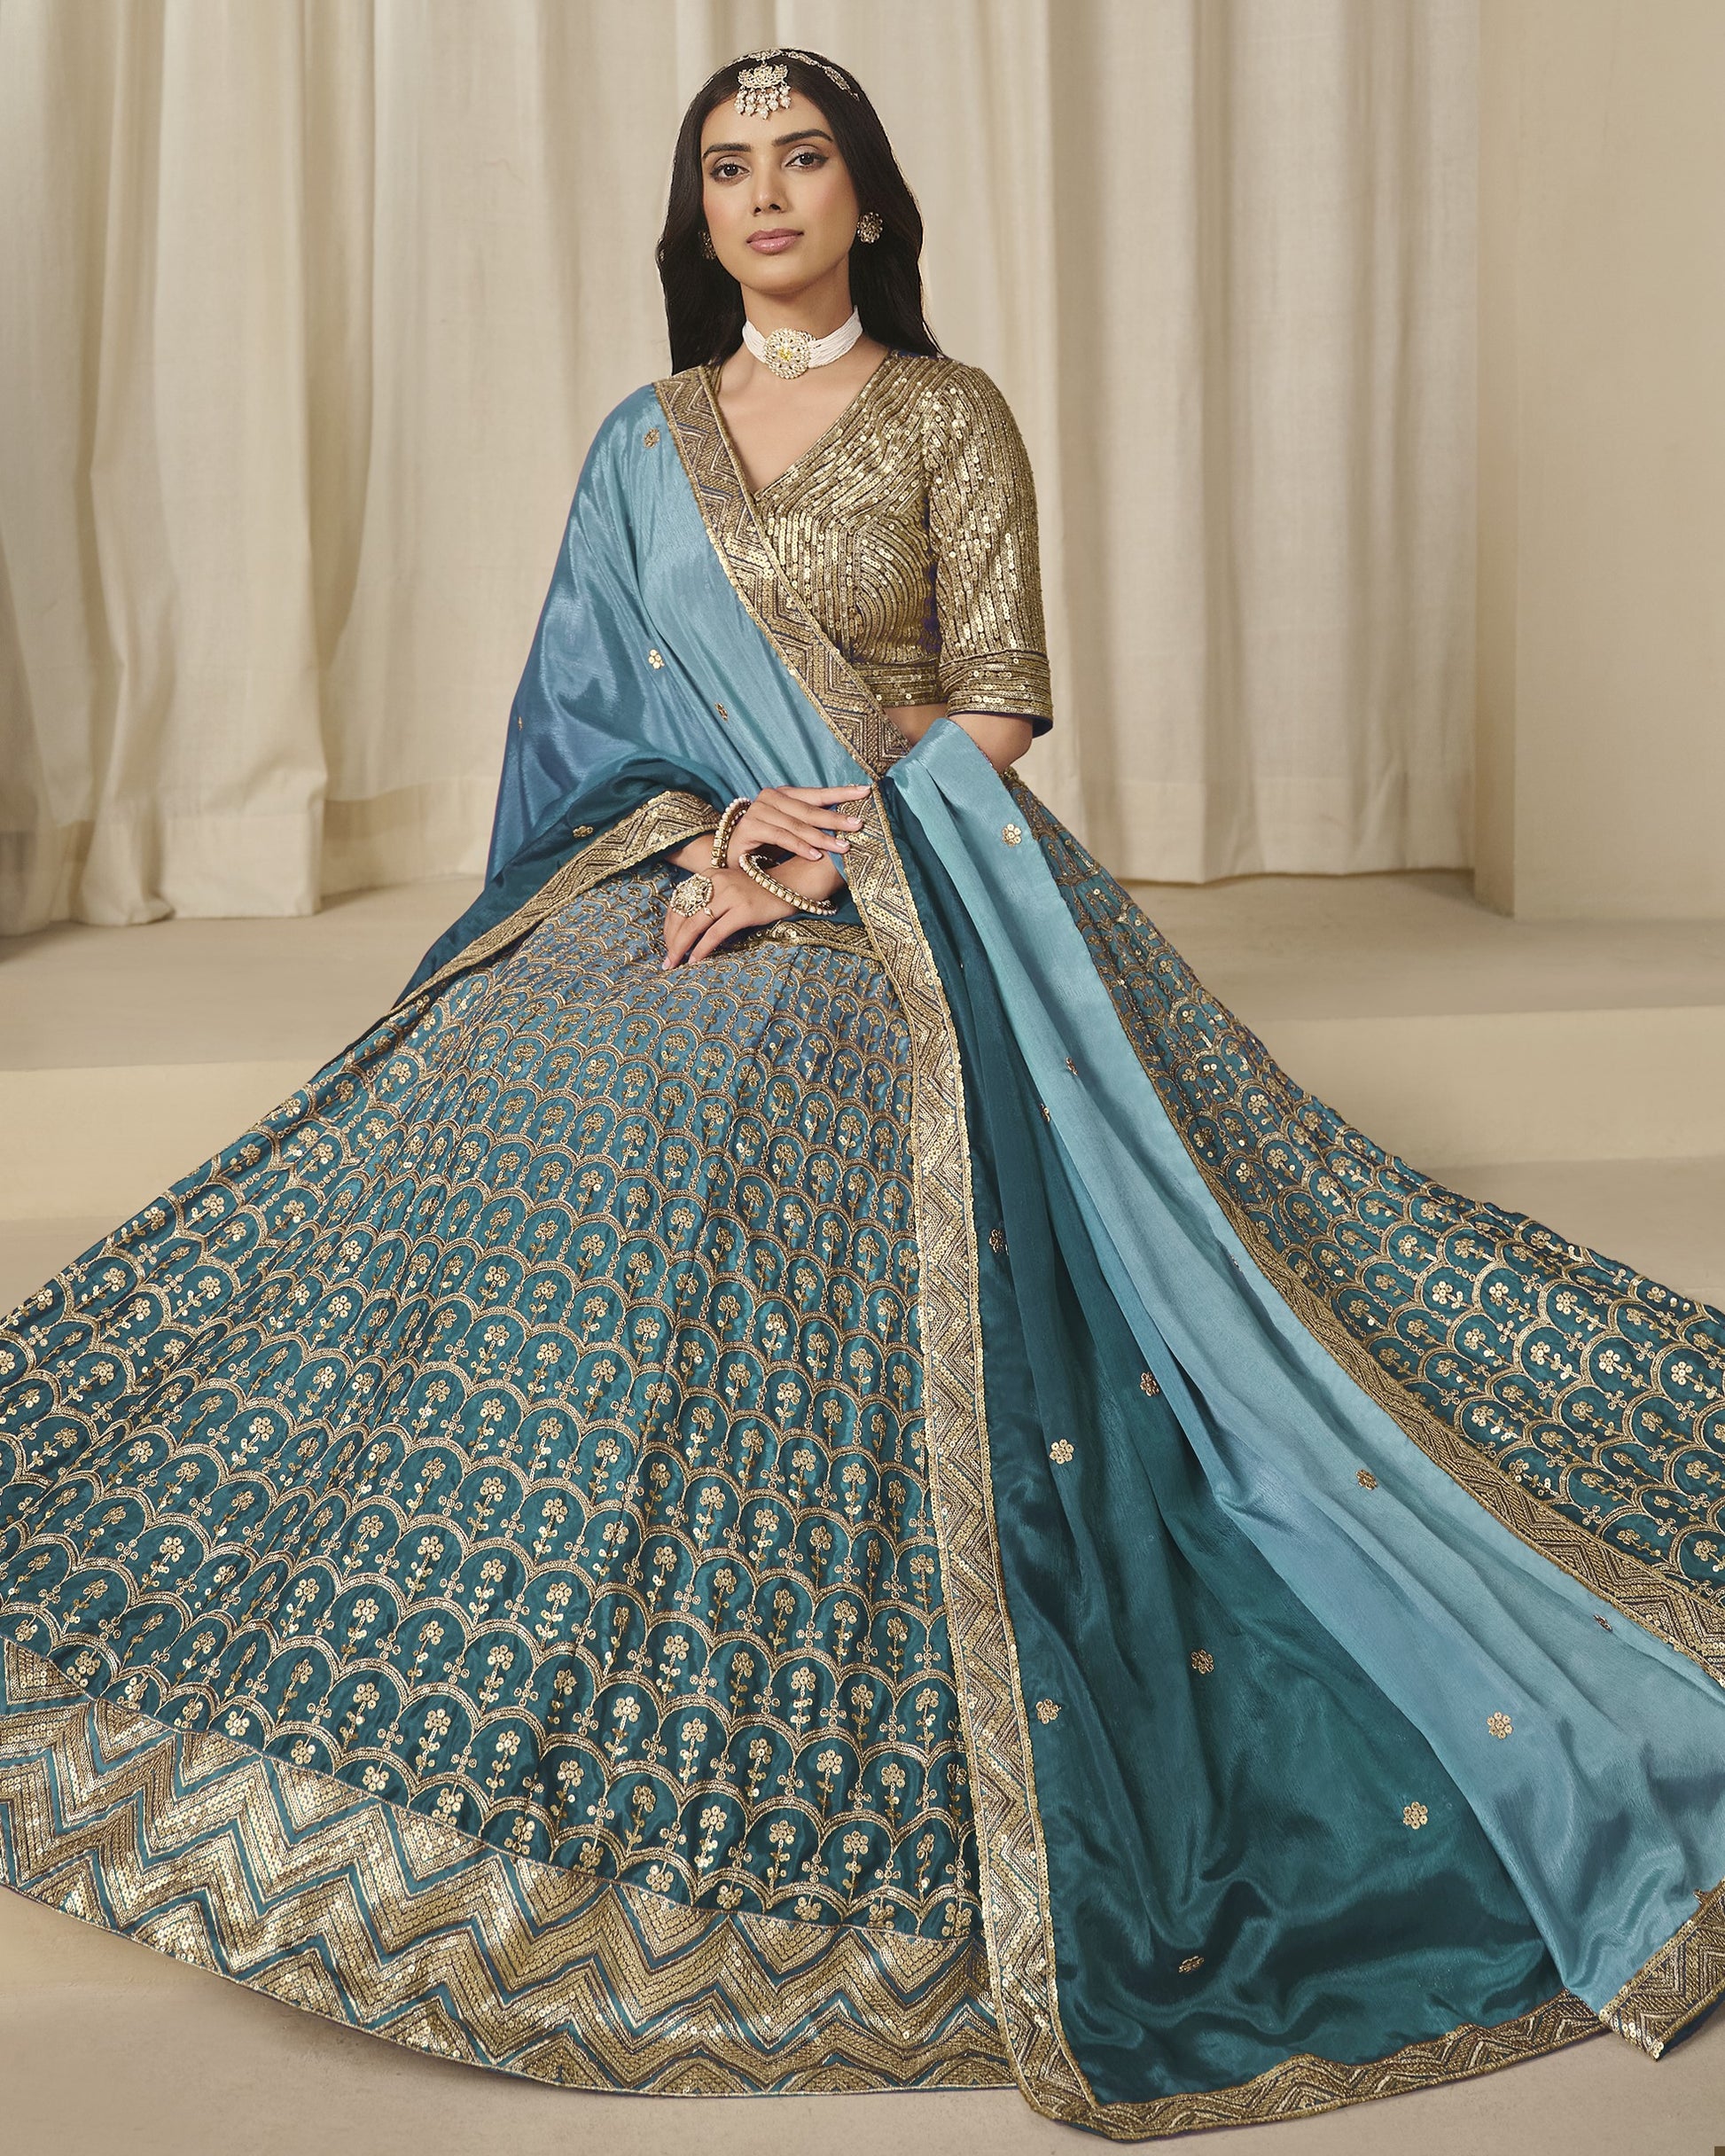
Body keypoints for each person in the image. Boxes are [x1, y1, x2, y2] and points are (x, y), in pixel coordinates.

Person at [2, 45, 1722, 2141]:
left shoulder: (943, 412)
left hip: (923, 882)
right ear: (694, 211)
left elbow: (998, 698)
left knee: (753, 1090)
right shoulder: (644, 443)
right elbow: (586, 743)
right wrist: (714, 843)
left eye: (801, 157)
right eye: (727, 167)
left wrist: (828, 848)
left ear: (870, 199)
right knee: (518, 1042)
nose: (765, 194)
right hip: (692, 862)